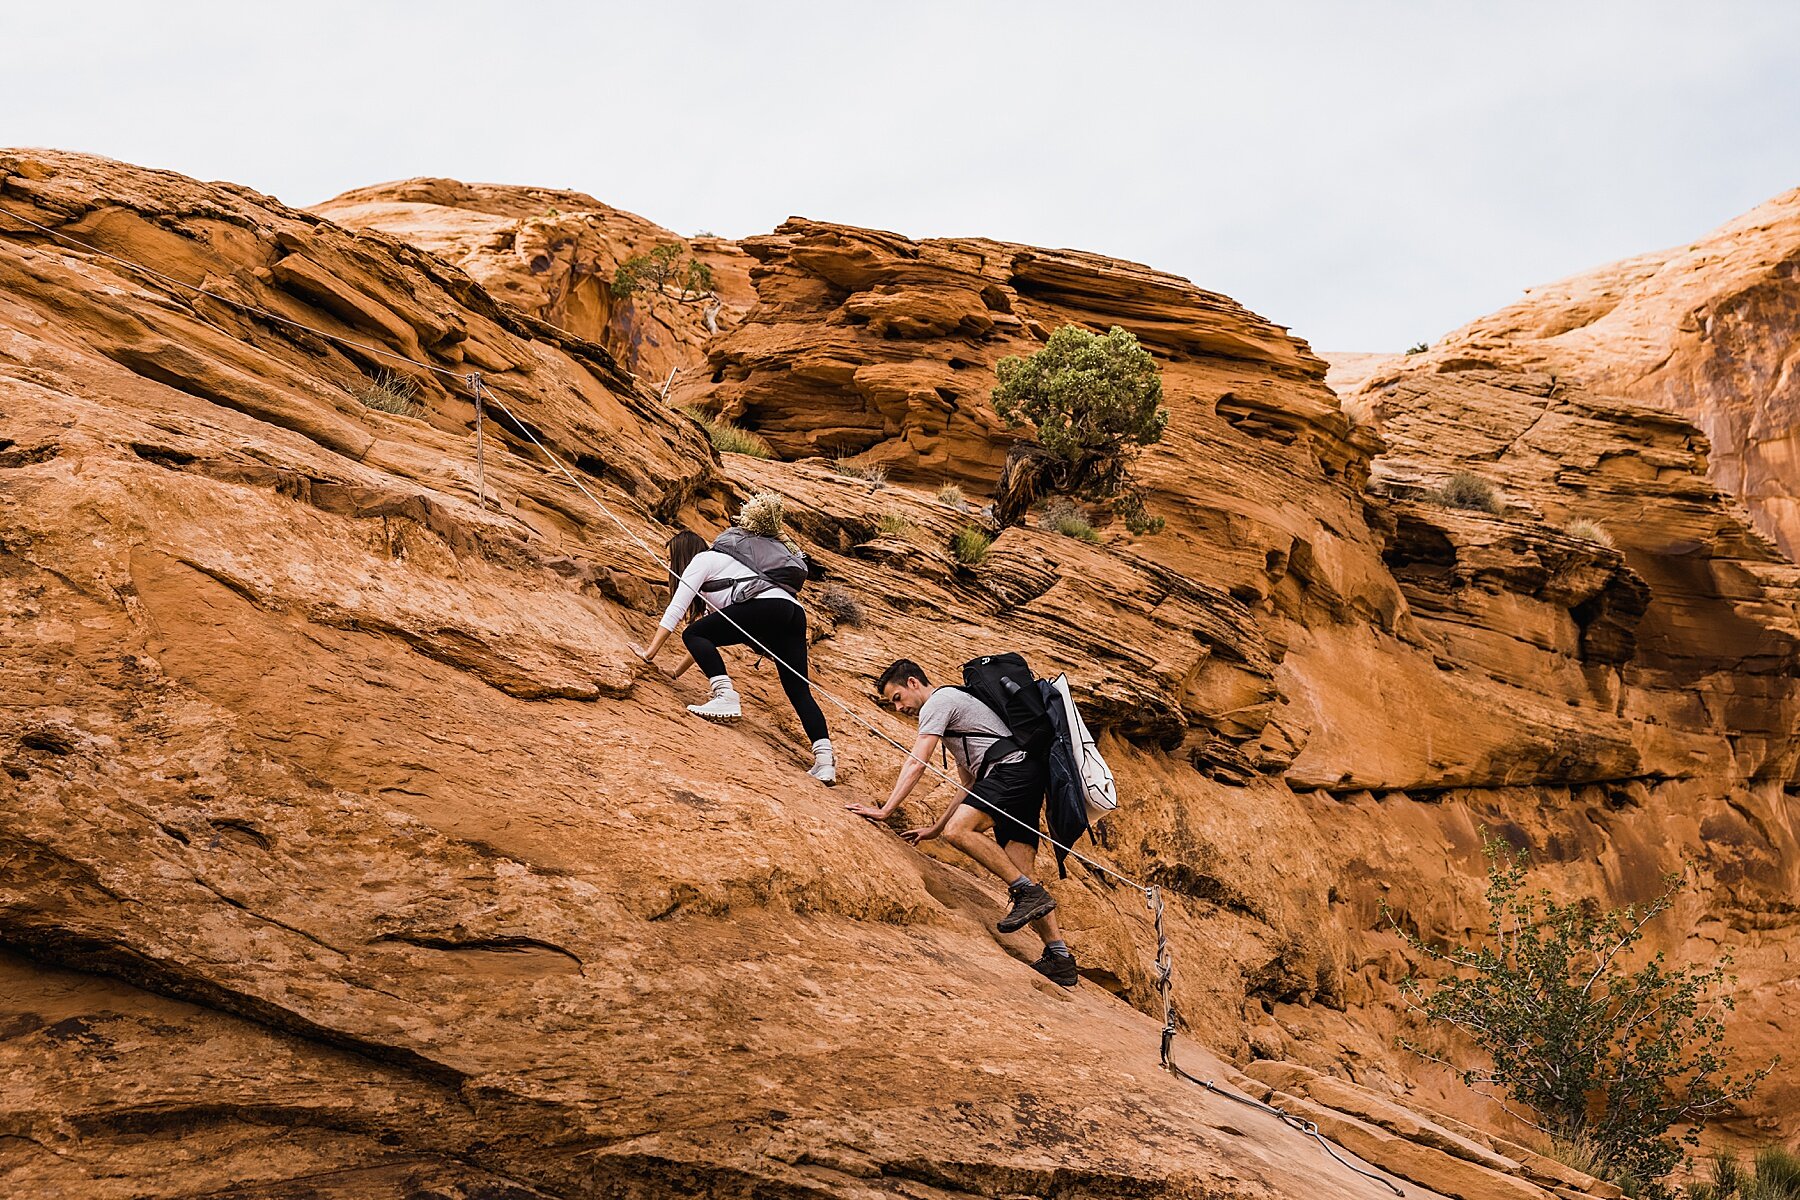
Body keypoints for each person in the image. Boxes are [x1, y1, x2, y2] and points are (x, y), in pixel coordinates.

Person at [847, 658, 1078, 987]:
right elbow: (969, 785)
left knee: (963, 832)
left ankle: (1027, 894)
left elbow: (916, 763)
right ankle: (1060, 957)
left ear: (913, 683)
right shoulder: (956, 710)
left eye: (897, 697)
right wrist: (935, 830)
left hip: (1010, 772)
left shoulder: (939, 702)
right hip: (1023, 774)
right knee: (1022, 869)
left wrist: (886, 810)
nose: (898, 708)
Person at [630, 495, 835, 786]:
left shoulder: (703, 560)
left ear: (681, 554)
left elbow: (677, 612)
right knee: (798, 689)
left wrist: (649, 653)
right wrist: (674, 674)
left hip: (767, 606)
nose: (668, 564)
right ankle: (825, 761)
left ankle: (726, 697)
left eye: (669, 559)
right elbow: (709, 638)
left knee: (692, 632)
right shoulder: (731, 568)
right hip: (791, 610)